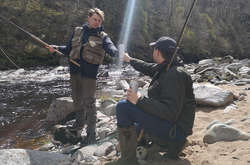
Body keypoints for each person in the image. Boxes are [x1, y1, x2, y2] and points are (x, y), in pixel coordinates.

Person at [109, 36, 196, 164]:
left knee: (123, 107)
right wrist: (130, 60)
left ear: (158, 52)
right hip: (173, 126)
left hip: (175, 131)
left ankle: (128, 160)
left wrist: (139, 99)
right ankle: (157, 143)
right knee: (137, 125)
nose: (153, 51)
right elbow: (147, 67)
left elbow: (169, 112)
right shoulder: (167, 66)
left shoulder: (174, 74)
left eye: (154, 49)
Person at [47, 8, 118, 145]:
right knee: (77, 100)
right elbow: (68, 49)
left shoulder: (103, 36)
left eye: (99, 20)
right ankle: (78, 126)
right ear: (89, 18)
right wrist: (55, 48)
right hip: (74, 73)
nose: (97, 22)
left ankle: (91, 133)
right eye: (95, 19)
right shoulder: (78, 31)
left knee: (89, 103)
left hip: (89, 75)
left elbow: (111, 48)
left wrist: (119, 53)